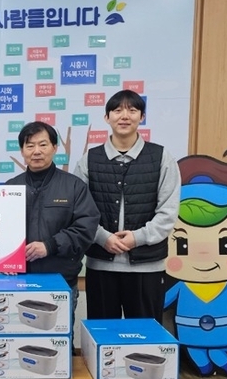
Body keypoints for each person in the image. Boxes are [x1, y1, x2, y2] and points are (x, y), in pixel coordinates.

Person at [5, 121, 100, 379]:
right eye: (30, 145)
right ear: (22, 150)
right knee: (23, 342)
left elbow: (85, 228)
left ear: (55, 148)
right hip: (19, 283)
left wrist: (50, 245)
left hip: (59, 281)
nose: (36, 151)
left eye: (43, 144)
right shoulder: (10, 187)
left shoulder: (73, 187)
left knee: (59, 340)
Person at [73, 89, 181, 323]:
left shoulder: (161, 157)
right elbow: (79, 211)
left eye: (132, 110)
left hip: (147, 267)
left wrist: (137, 238)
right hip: (101, 265)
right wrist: (103, 238)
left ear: (142, 117)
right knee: (103, 336)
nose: (124, 116)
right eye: (117, 110)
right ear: (107, 117)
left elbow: (168, 212)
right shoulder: (89, 160)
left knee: (145, 337)